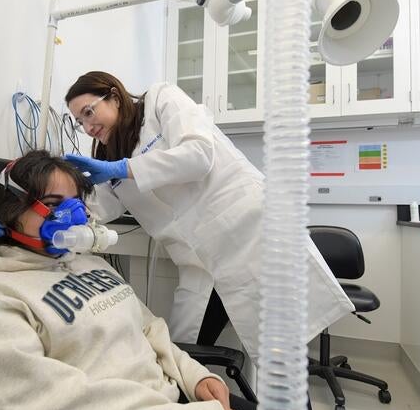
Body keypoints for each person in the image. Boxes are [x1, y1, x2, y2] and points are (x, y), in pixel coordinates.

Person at [0, 150, 259, 410]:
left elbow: (149, 330)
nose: (74, 215)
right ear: (12, 208)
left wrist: (196, 377)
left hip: (175, 400)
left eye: (77, 203)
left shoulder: (90, 263)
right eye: (53, 204)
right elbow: (55, 408)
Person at [61, 71, 353, 364]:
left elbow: (198, 156)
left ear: (113, 96)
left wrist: (122, 168)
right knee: (183, 351)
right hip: (195, 259)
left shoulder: (160, 100)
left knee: (281, 356)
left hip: (245, 235)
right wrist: (65, 203)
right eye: (80, 122)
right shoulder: (107, 152)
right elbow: (107, 206)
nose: (87, 127)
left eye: (89, 112)